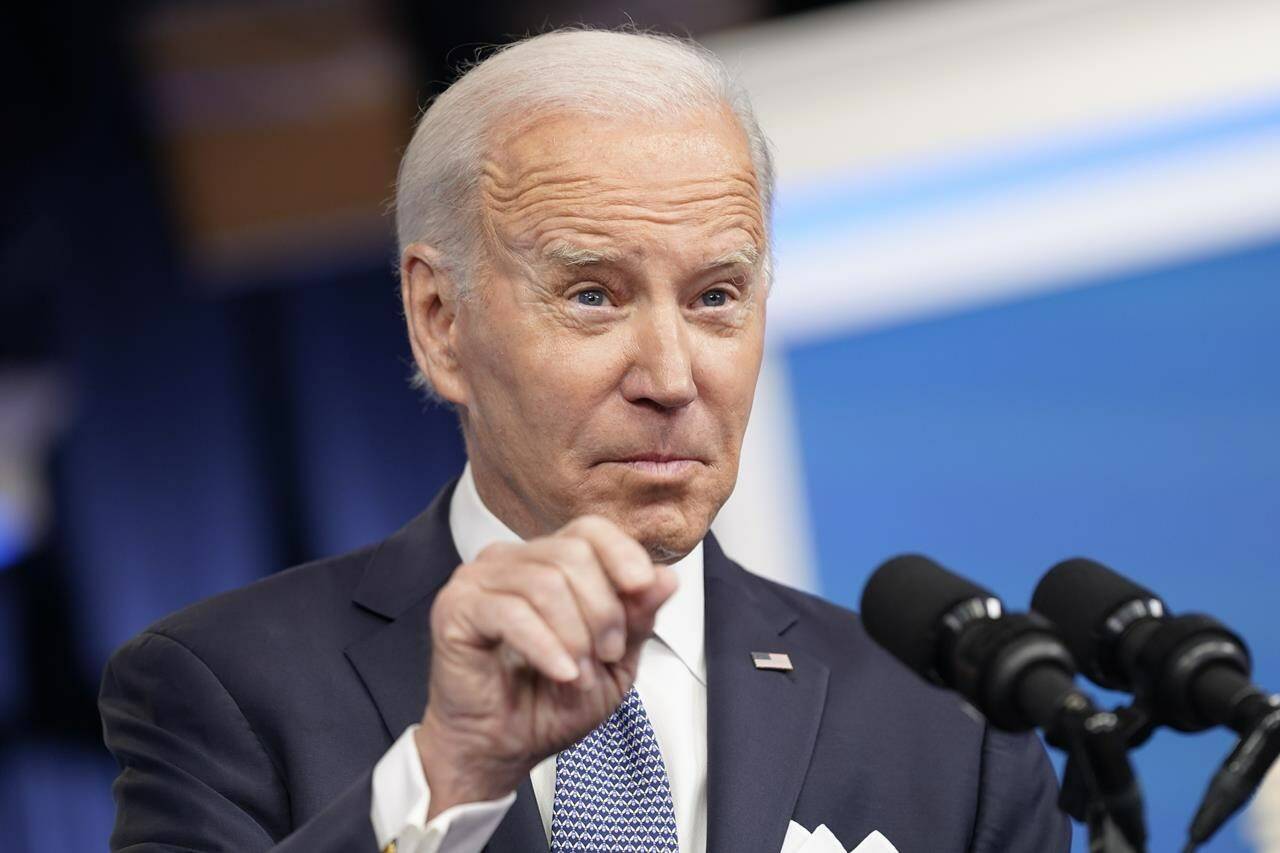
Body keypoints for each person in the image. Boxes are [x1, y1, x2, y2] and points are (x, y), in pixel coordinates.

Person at [100, 28, 1070, 853]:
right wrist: (446, 776)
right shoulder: (221, 686)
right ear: (440, 320)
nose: (670, 376)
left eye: (714, 298)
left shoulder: (949, 732)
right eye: (592, 295)